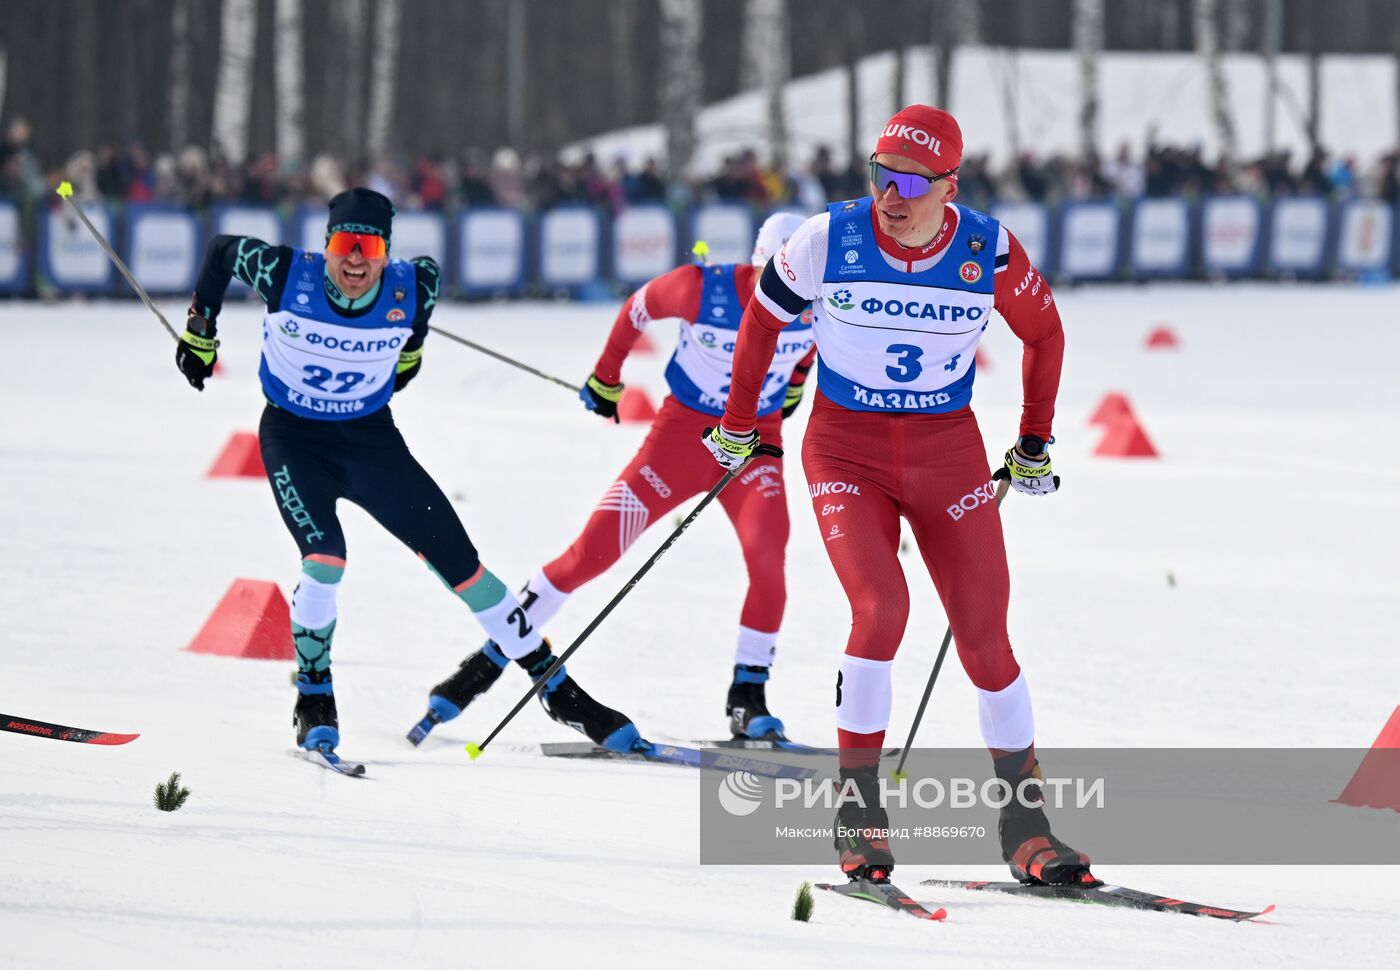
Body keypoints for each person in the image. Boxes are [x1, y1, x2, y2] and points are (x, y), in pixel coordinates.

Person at [703, 106, 1094, 888]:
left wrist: (1035, 437)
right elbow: (761, 319)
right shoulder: (826, 239)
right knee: (882, 609)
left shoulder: (986, 249)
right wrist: (741, 423)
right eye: (883, 174)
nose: (893, 193)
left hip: (946, 452)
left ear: (950, 186)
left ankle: (1026, 827)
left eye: (914, 180)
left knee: (986, 637)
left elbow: (1045, 334)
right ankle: (859, 813)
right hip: (846, 448)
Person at [176, 187, 638, 759]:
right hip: (294, 439)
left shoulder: (414, 284)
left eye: (368, 248)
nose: (354, 260)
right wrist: (201, 331)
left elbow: (415, 333)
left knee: (465, 570)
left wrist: (409, 353)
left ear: (385, 252)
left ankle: (559, 691)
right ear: (326, 246)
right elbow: (222, 251)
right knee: (324, 559)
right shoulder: (283, 271)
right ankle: (315, 695)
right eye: (344, 245)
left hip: (370, 443)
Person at [411, 214, 816, 745]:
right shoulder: (703, 287)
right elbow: (638, 307)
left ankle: (748, 697)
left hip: (753, 448)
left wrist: (791, 393)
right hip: (682, 440)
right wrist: (606, 376)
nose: (793, 296)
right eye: (780, 278)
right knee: (592, 553)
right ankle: (491, 657)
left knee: (769, 557)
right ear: (761, 263)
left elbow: (808, 357)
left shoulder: (824, 305)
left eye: (804, 285)